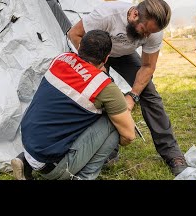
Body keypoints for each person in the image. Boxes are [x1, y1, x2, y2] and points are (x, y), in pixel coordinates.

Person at [67, 0, 188, 176]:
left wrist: (133, 95)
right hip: (99, 52)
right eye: (145, 31)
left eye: (151, 33)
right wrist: (96, 65)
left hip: (125, 55)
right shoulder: (107, 15)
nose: (147, 36)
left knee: (149, 95)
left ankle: (172, 153)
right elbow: (74, 34)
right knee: (102, 98)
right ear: (134, 15)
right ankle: (107, 151)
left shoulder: (154, 31)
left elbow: (148, 66)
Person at [11, 30, 135, 180]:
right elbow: (129, 135)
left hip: (29, 145)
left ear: (80, 46)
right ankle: (83, 176)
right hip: (51, 164)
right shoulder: (104, 86)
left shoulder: (62, 58)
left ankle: (26, 162)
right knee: (114, 124)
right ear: (107, 57)